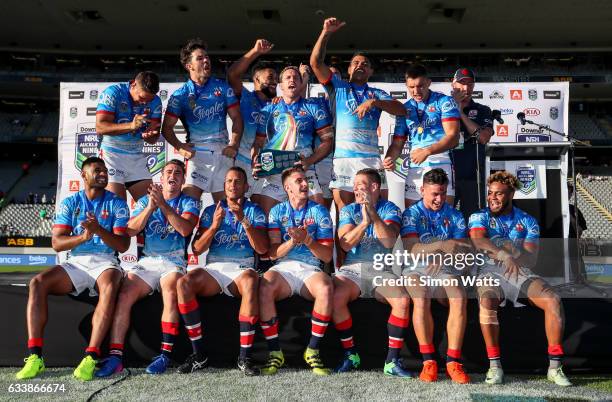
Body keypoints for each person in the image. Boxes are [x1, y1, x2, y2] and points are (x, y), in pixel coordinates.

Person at [16, 157, 130, 381]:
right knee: (37, 283)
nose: (103, 174)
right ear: (84, 176)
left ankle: (90, 356)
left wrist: (97, 230)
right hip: (76, 261)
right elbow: (57, 243)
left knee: (109, 285)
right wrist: (83, 237)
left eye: (105, 171)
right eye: (97, 170)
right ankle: (35, 356)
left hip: (106, 261)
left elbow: (123, 245)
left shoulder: (117, 203)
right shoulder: (70, 203)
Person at [95, 160, 199, 377]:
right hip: (148, 261)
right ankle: (116, 356)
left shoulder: (189, 202)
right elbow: (129, 230)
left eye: (178, 173)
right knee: (124, 294)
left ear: (183, 179)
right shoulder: (145, 201)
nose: (173, 175)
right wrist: (151, 206)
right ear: (161, 179)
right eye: (169, 172)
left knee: (172, 292)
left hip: (174, 261)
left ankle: (164, 354)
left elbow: (184, 229)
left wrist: (163, 205)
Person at [468, 171, 571, 386]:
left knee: (553, 300)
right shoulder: (479, 216)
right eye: (490, 193)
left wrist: (515, 256)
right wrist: (504, 254)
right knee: (487, 300)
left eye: (498, 194)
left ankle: (555, 367)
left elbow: (531, 258)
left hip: (519, 270)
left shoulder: (528, 221)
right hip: (488, 271)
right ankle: (495, 366)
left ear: (511, 194)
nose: (492, 198)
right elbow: (478, 241)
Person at [175, 166, 268, 376]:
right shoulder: (211, 210)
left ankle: (244, 358)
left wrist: (244, 220)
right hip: (215, 268)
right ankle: (199, 355)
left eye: (237, 182)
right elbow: (197, 248)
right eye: (228, 181)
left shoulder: (255, 210)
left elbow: (262, 249)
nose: (232, 185)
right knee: (183, 283)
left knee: (252, 280)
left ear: (245, 186)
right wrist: (215, 225)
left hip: (242, 268)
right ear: (224, 186)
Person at [310, 17, 406, 213]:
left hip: (371, 159)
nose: (360, 65)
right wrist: (326, 33)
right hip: (344, 160)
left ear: (370, 71)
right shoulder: (338, 86)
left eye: (365, 63)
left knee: (378, 210)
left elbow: (402, 110)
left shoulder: (376, 93)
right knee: (345, 214)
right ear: (349, 68)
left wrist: (375, 102)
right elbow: (315, 62)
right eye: (355, 62)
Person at [332, 169, 412, 377]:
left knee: (402, 301)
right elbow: (345, 244)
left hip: (381, 268)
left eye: (361, 184)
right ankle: (351, 354)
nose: (355, 188)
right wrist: (364, 222)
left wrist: (372, 214)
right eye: (355, 184)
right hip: (353, 268)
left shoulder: (390, 208)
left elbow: (389, 241)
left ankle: (391, 361)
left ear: (374, 187)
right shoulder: (349, 209)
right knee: (334, 296)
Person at [258, 167, 334, 375]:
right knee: (264, 285)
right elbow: (272, 254)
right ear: (287, 188)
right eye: (299, 181)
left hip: (311, 268)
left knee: (326, 288)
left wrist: (307, 240)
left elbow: (327, 256)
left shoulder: (319, 211)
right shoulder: (276, 212)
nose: (304, 184)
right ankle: (275, 352)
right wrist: (293, 241)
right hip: (284, 268)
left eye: (305, 180)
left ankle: (313, 350)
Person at [400, 168, 471, 384]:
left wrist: (444, 257)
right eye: (434, 194)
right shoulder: (411, 214)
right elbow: (411, 248)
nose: (439, 198)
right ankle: (428, 361)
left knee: (459, 297)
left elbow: (463, 250)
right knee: (420, 298)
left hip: (444, 268)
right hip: (415, 268)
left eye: (442, 193)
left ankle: (453, 362)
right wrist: (441, 245)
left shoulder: (456, 215)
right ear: (422, 190)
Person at [162, 38, 243, 203]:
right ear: (189, 66)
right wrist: (179, 146)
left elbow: (236, 118)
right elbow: (167, 129)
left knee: (226, 208)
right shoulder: (180, 95)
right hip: (197, 155)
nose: (206, 60)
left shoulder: (223, 88)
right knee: (187, 207)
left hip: (222, 153)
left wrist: (234, 144)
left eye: (207, 57)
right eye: (200, 58)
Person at [251, 66, 333, 214]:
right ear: (280, 86)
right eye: (287, 77)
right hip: (275, 172)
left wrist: (309, 161)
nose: (292, 80)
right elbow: (258, 143)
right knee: (266, 219)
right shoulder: (268, 109)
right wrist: (255, 161)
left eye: (296, 77)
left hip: (303, 170)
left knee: (318, 213)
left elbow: (327, 141)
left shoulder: (313, 107)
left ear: (301, 84)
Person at [384, 64, 460, 208]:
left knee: (444, 218)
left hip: (441, 163)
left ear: (429, 83)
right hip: (416, 168)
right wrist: (390, 158)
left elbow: (453, 137)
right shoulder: (404, 109)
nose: (416, 91)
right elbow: (397, 143)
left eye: (420, 86)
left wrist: (427, 151)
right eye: (411, 87)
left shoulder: (444, 102)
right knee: (412, 217)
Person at [96, 71, 162, 200]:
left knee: (151, 207)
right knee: (117, 208)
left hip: (136, 156)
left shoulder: (156, 101)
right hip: (112, 155)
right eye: (142, 98)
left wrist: (150, 136)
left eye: (149, 100)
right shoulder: (114, 93)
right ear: (133, 85)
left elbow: (154, 138)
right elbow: (100, 127)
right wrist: (131, 126)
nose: (144, 103)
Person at [227, 39, 277, 200]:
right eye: (270, 77)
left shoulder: (278, 106)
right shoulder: (245, 97)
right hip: (242, 162)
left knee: (260, 212)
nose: (274, 81)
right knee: (237, 207)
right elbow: (232, 74)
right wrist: (255, 52)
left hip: (268, 166)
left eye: (276, 78)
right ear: (256, 79)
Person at [449, 68, 493, 220]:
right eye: (462, 83)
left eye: (470, 84)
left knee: (473, 222)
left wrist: (460, 113)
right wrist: (452, 108)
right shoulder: (442, 107)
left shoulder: (483, 110)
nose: (466, 88)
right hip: (446, 175)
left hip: (472, 177)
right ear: (453, 84)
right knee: (444, 221)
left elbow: (484, 137)